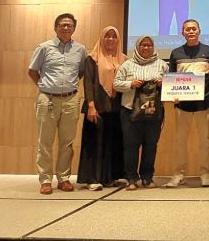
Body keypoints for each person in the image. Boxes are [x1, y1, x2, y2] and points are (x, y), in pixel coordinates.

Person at [28, 13, 86, 195]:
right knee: (45, 141)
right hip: (47, 99)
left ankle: (63, 178)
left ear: (74, 28)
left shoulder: (80, 49)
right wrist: (46, 87)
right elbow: (32, 71)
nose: (66, 28)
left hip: (71, 99)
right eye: (62, 25)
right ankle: (45, 180)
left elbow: (80, 72)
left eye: (69, 25)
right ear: (55, 28)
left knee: (67, 142)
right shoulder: (44, 47)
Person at [163, 19, 209, 188]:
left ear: (199, 31)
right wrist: (172, 95)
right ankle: (179, 174)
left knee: (204, 141)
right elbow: (171, 78)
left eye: (194, 29)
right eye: (188, 29)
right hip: (182, 106)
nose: (191, 31)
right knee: (180, 141)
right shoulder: (175, 53)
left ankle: (205, 174)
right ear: (183, 33)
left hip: (204, 104)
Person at [114, 35, 168, 190]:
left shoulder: (162, 65)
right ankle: (131, 178)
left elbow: (172, 86)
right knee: (130, 145)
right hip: (130, 111)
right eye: (143, 45)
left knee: (150, 145)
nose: (146, 48)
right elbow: (116, 84)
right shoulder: (127, 65)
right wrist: (130, 84)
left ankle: (147, 177)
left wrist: (163, 83)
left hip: (154, 111)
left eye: (149, 45)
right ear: (137, 47)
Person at [77, 26, 126, 191]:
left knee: (112, 143)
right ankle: (92, 178)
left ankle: (108, 178)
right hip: (97, 106)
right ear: (101, 38)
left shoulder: (123, 59)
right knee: (94, 143)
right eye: (107, 36)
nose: (110, 39)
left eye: (114, 36)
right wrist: (91, 105)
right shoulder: (92, 58)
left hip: (116, 107)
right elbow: (88, 83)